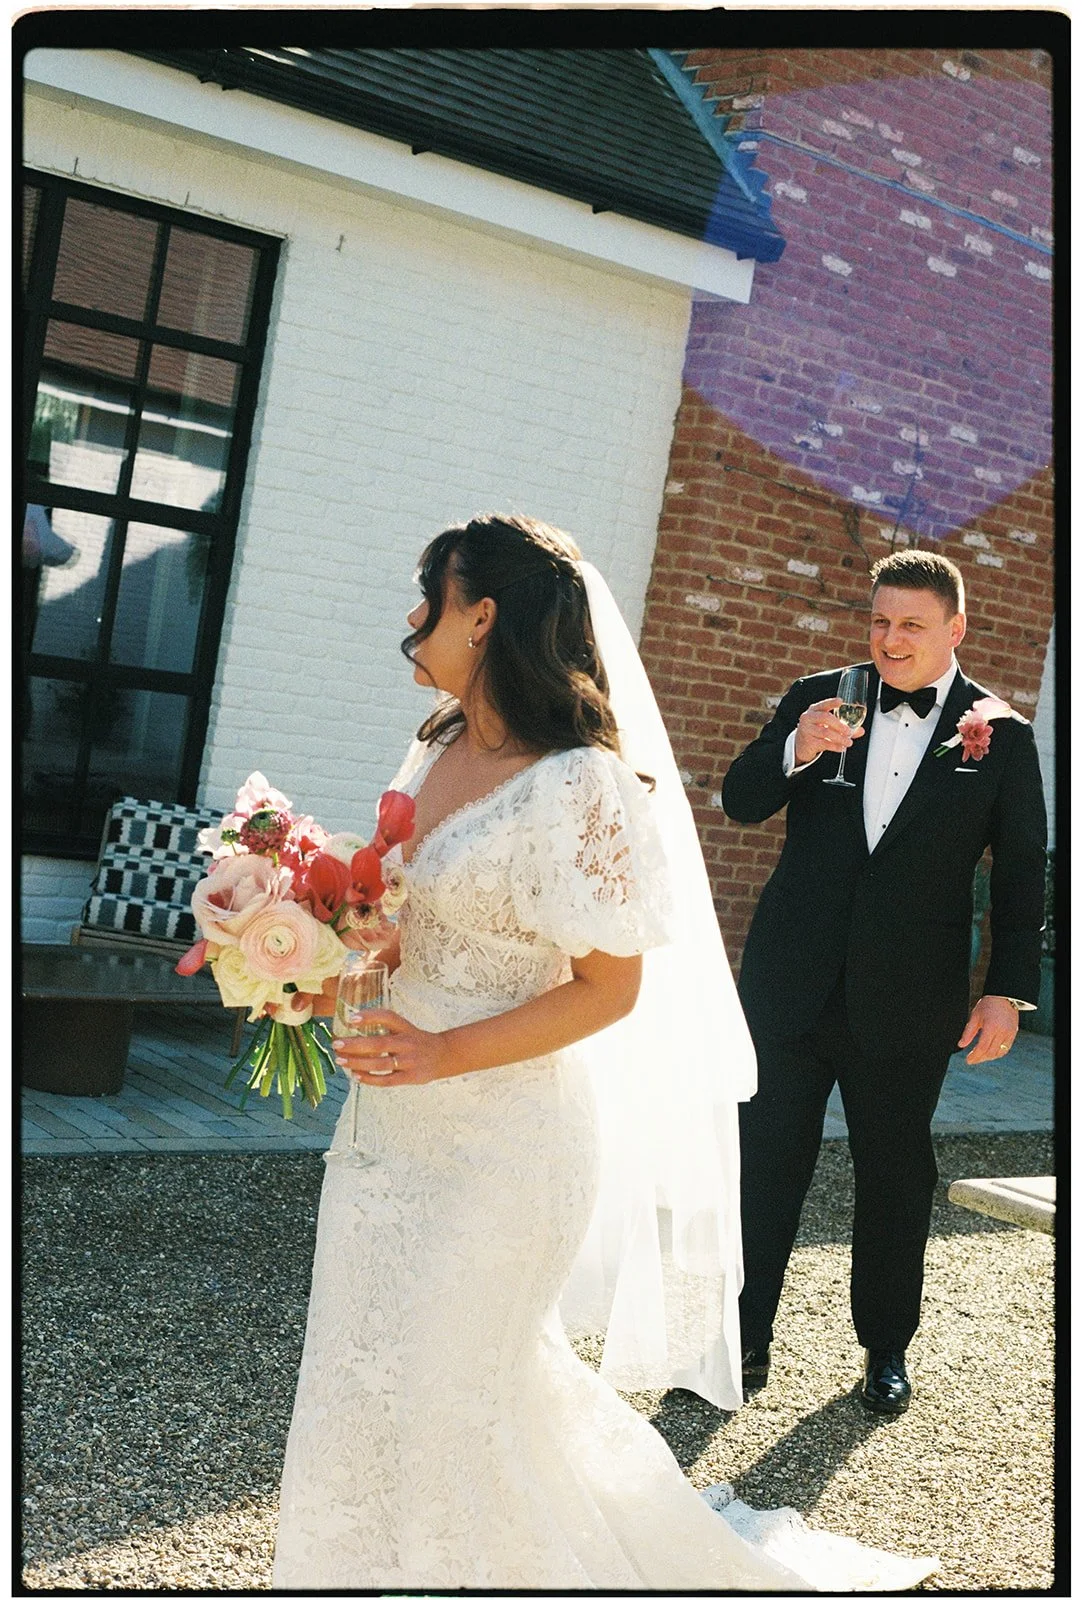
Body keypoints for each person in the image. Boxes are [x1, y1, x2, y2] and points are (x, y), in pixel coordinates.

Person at [272, 514, 937, 1590]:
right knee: (365, 1378)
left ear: (481, 616)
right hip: (385, 1136)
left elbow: (606, 987)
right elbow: (415, 910)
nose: (411, 617)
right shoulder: (437, 742)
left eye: (426, 597)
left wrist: (444, 1051)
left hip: (503, 1149)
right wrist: (332, 948)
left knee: (454, 1392)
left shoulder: (578, 783)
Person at [722, 548, 1047, 1417]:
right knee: (763, 1165)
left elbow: (1022, 875)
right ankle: (741, 1337)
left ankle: (884, 1350)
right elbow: (740, 800)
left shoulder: (1001, 734)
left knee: (897, 1175)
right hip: (792, 983)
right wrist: (796, 747)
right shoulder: (816, 696)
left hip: (910, 999)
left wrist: (1005, 992)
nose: (890, 639)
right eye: (879, 620)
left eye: (910, 624)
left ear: (955, 629)